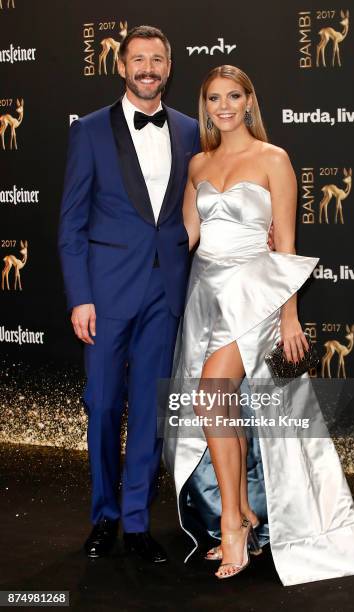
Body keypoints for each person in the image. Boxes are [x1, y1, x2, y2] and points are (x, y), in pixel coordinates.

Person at [163, 65, 354, 583]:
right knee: (222, 406)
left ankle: (233, 526)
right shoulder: (198, 163)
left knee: (212, 394)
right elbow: (184, 239)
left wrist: (290, 313)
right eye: (214, 97)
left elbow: (286, 243)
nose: (223, 106)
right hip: (206, 294)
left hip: (257, 291)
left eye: (233, 96)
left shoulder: (274, 159)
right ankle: (239, 512)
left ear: (248, 101)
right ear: (206, 105)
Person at [58, 25, 201, 563]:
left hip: (166, 293)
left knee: (148, 412)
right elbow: (71, 222)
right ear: (121, 66)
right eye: (138, 59)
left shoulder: (190, 130)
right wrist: (80, 296)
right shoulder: (90, 131)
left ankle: (137, 522)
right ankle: (104, 516)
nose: (147, 68)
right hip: (106, 296)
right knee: (101, 405)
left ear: (168, 67)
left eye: (157, 60)